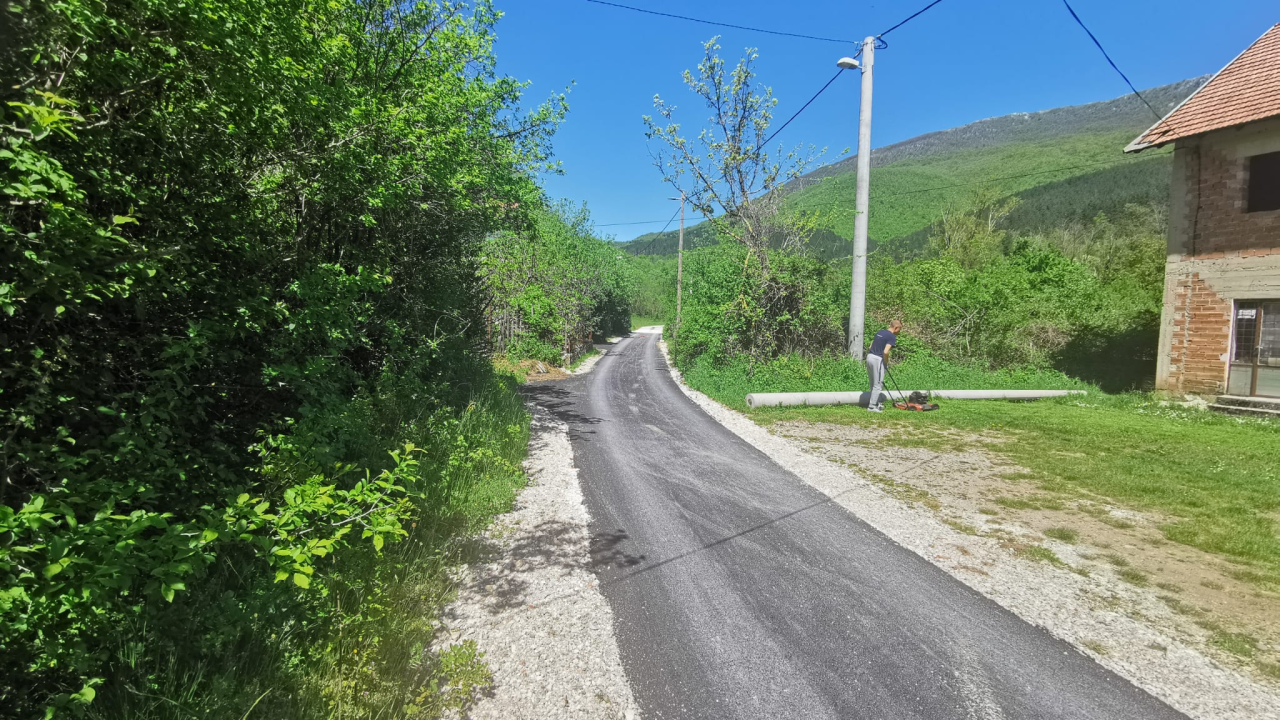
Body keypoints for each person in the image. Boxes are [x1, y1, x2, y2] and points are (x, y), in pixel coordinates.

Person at [865, 320, 901, 413]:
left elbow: (870, 346)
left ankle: (876, 403)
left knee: (873, 383)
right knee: (878, 384)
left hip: (869, 357)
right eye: (899, 329)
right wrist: (885, 362)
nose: (899, 332)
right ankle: (872, 407)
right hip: (878, 359)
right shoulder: (891, 336)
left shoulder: (880, 332)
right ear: (896, 328)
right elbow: (885, 351)